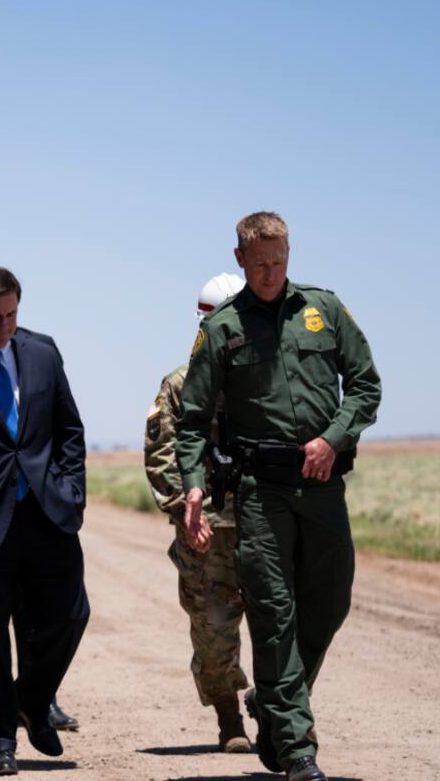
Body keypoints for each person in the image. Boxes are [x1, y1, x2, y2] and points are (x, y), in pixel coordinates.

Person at [176, 212, 381, 781]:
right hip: (260, 491)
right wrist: (193, 484)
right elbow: (192, 419)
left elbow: (365, 385)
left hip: (323, 485)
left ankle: (271, 702)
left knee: (330, 603)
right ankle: (296, 747)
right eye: (261, 262)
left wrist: (333, 438)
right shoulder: (223, 327)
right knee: (273, 614)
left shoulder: (324, 310)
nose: (271, 272)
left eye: (280, 260)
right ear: (240, 259)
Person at [0, 267, 89, 775]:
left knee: (70, 613)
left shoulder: (42, 351)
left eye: (12, 315)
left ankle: (31, 701)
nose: (3, 326)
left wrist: (71, 489)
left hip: (45, 508)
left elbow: (69, 428)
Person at [144, 272, 251, 754]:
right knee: (213, 632)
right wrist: (185, 510)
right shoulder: (180, 385)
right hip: (205, 529)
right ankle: (229, 718)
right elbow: (161, 455)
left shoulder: (266, 382)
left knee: (278, 626)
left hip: (263, 523)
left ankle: (275, 712)